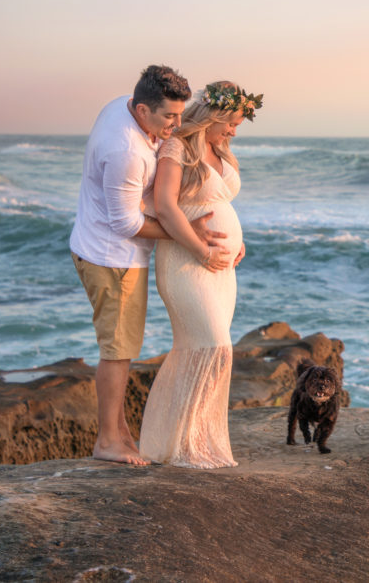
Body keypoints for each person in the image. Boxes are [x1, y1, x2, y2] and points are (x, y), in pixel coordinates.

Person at [70, 66, 228, 466]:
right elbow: (126, 223)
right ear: (142, 109)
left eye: (180, 114)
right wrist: (187, 236)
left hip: (104, 248)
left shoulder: (120, 107)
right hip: (112, 257)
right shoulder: (128, 152)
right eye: (169, 117)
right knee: (118, 350)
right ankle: (107, 441)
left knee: (121, 346)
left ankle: (120, 432)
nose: (177, 124)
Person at [138, 81, 262, 468]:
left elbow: (217, 201)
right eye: (232, 123)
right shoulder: (178, 147)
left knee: (208, 351)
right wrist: (202, 248)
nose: (234, 131)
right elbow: (164, 206)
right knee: (212, 347)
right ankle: (177, 445)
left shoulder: (220, 149)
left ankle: (189, 441)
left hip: (220, 269)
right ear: (214, 115)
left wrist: (235, 242)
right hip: (185, 262)